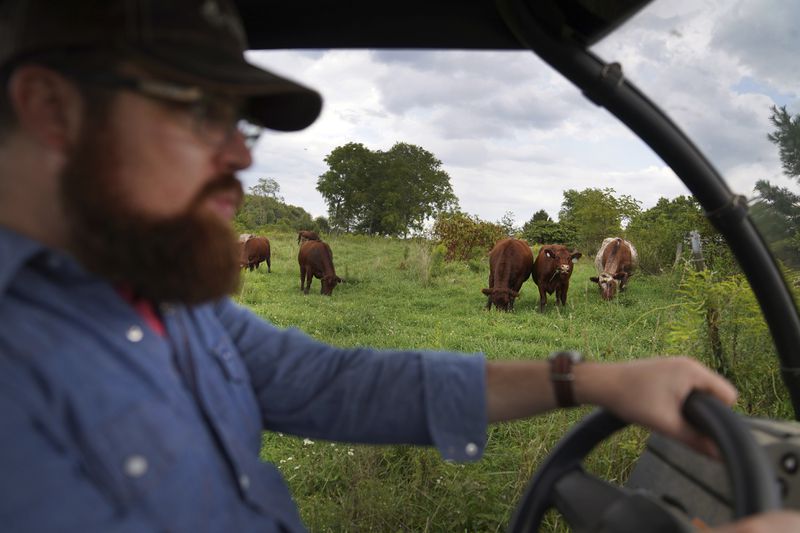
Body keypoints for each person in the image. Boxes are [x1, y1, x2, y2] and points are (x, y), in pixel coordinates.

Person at [0, 1, 795, 532]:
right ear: (51, 109)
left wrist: (587, 380)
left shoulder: (165, 302)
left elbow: (342, 382)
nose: (241, 154)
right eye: (200, 110)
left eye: (241, 122)